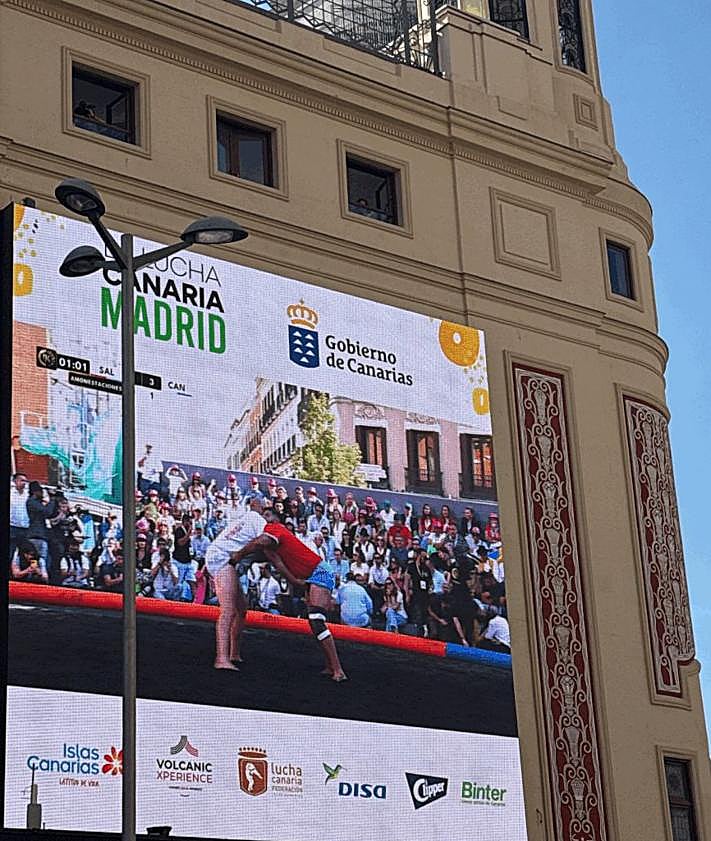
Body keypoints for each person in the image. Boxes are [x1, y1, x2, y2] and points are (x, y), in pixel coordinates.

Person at [230, 517, 347, 681]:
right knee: (315, 622)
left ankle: (337, 669)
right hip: (311, 575)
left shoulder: (273, 529)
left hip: (318, 572)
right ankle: (331, 666)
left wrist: (238, 555)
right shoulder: (270, 549)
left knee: (316, 620)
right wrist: (294, 581)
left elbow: (260, 542)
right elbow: (278, 563)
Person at [204, 499, 270, 670]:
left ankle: (234, 653)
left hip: (219, 556)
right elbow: (264, 543)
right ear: (260, 508)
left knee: (241, 609)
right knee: (228, 610)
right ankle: (221, 658)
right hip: (222, 558)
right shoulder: (257, 520)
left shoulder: (244, 518)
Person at [26, 481, 53, 577]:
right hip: (36, 535)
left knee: (43, 559)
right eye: (40, 491)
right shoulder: (32, 502)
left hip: (41, 535)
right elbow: (47, 512)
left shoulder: (37, 502)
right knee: (37, 559)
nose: (42, 493)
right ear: (35, 492)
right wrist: (51, 500)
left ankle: (40, 577)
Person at [404, 549, 433, 635]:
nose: (424, 559)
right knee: (417, 612)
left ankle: (425, 630)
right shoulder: (411, 566)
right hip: (415, 594)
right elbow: (406, 582)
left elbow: (430, 581)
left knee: (425, 613)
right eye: (423, 556)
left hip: (425, 594)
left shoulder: (426, 568)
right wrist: (407, 595)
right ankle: (417, 630)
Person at [9, 472, 29, 562]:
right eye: (21, 480)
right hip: (12, 527)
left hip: (26, 528)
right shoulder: (11, 494)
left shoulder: (28, 495)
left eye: (25, 481)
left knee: (24, 554)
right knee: (10, 551)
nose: (24, 483)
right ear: (14, 481)